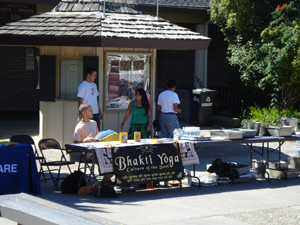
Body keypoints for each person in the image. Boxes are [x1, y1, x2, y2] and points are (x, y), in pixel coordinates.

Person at [73, 104, 114, 189]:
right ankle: (104, 182)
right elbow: (75, 144)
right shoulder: (79, 127)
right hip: (87, 153)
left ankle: (106, 180)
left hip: (97, 150)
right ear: (84, 113)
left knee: (114, 155)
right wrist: (84, 141)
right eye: (90, 110)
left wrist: (98, 140)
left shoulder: (94, 123)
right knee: (106, 157)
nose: (93, 112)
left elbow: (98, 137)